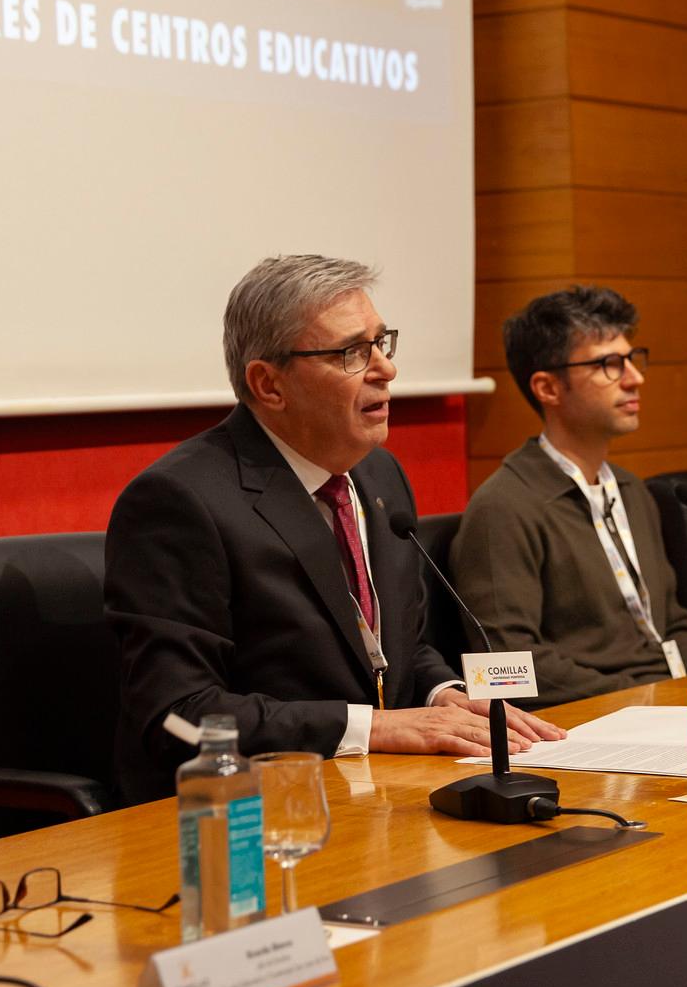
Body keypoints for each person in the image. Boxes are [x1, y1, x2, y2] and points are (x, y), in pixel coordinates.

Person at [108, 255, 565, 801]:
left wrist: (445, 695)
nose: (385, 369)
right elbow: (179, 714)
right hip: (248, 810)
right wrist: (374, 727)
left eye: (381, 342)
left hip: (381, 794)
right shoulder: (181, 502)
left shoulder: (378, 474)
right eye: (352, 352)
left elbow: (401, 645)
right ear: (269, 385)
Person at [451, 286, 687, 705]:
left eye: (632, 359)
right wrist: (641, 699)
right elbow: (507, 665)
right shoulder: (505, 506)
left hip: (671, 704)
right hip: (589, 718)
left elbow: (674, 622)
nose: (635, 378)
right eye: (609, 364)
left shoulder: (631, 490)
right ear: (548, 388)